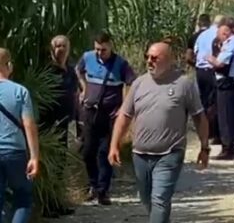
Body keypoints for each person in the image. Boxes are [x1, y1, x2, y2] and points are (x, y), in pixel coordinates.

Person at [109, 41, 209, 223]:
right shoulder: (139, 84)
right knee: (147, 199)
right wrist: (114, 145)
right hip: (140, 154)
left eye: (154, 58)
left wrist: (204, 147)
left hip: (170, 153)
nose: (149, 61)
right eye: (147, 57)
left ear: (169, 60)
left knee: (160, 198)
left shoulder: (184, 85)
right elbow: (124, 116)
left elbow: (199, 117)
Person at [75, 31, 136, 205]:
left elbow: (132, 83)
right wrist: (84, 88)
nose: (100, 53)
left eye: (103, 50)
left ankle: (103, 191)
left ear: (110, 46)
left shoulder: (120, 64)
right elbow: (78, 70)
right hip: (90, 112)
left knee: (105, 153)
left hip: (110, 115)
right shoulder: (87, 57)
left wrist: (124, 106)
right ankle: (92, 185)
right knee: (87, 151)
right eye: (97, 49)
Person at [39, 35, 78, 218]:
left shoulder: (70, 71)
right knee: (50, 167)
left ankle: (58, 202)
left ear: (68, 48)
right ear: (52, 49)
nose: (60, 49)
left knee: (60, 166)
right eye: (57, 46)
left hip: (64, 124)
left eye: (63, 46)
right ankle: (47, 206)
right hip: (49, 126)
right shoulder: (48, 71)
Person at [0, 48, 40, 223]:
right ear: (8, 65)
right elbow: (29, 124)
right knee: (23, 198)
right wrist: (34, 157)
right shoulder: (19, 91)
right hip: (15, 152)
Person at [207, 19, 234, 160]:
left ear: (225, 33)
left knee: (226, 117)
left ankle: (228, 148)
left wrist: (209, 58)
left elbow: (220, 63)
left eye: (219, 34)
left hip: (228, 83)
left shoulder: (231, 43)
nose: (218, 37)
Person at [193, 15, 226, 145]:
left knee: (204, 102)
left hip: (200, 71)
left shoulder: (202, 35)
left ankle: (205, 132)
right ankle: (214, 133)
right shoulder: (220, 35)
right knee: (215, 103)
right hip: (213, 70)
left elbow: (196, 52)